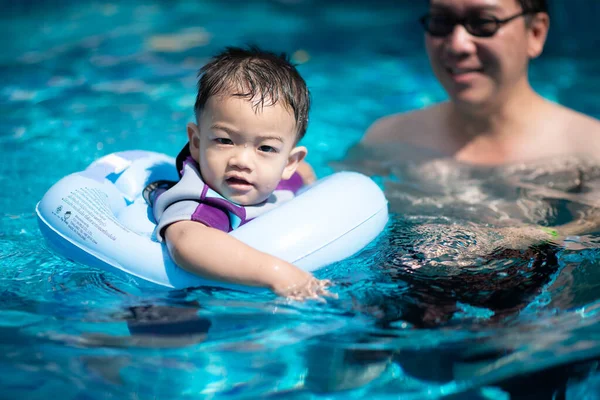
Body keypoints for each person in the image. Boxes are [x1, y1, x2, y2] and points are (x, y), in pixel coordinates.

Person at [146, 46, 330, 300]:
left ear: (289, 163)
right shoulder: (204, 202)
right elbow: (187, 243)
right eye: (224, 140)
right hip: (186, 299)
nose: (242, 161)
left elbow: (306, 173)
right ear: (197, 143)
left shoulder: (286, 178)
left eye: (265, 148)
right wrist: (277, 273)